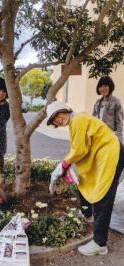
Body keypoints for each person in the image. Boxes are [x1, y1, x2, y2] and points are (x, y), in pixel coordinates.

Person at [47, 101, 124, 256]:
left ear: (65, 109)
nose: (57, 120)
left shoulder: (77, 120)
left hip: (110, 155)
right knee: (83, 181)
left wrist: (63, 165)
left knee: (103, 196)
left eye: (58, 115)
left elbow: (79, 150)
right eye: (54, 119)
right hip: (104, 155)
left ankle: (99, 243)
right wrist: (66, 167)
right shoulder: (75, 121)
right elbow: (80, 148)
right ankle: (87, 214)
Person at [93, 76, 124, 143]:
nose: (103, 88)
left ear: (110, 87)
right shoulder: (97, 103)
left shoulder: (116, 102)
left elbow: (120, 123)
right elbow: (93, 120)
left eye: (106, 86)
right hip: (98, 137)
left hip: (110, 138)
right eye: (101, 86)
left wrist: (120, 141)